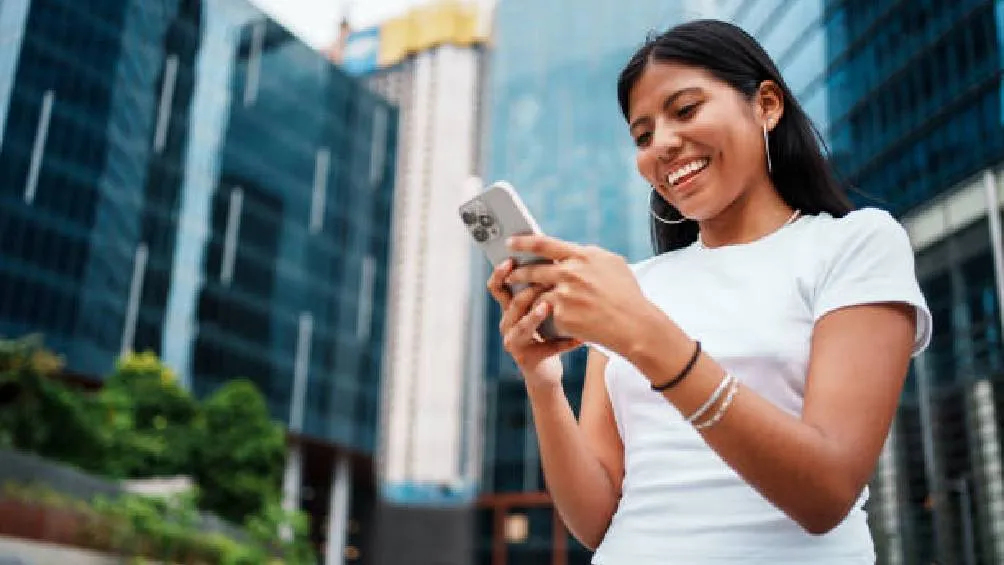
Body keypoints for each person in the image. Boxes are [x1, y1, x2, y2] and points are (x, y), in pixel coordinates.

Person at [486, 19, 932, 564]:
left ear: (766, 105)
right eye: (643, 135)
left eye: (686, 110)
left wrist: (647, 336)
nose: (663, 145)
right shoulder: (638, 285)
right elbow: (597, 521)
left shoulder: (856, 243)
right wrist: (542, 382)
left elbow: (826, 492)